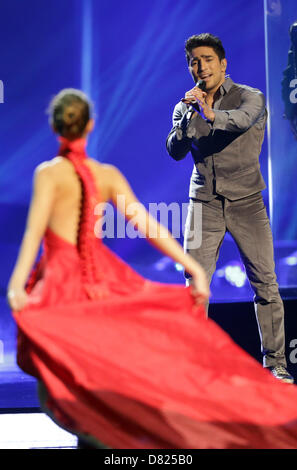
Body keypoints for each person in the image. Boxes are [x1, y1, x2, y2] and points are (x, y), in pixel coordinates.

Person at [7, 88, 297, 450]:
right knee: (96, 369)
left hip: (61, 282)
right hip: (101, 279)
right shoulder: (106, 174)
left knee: (56, 385)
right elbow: (149, 227)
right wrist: (192, 265)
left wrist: (17, 286)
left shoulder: (48, 174)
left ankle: (104, 439)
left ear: (55, 128)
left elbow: (34, 233)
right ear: (91, 126)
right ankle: (109, 436)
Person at [166, 33, 294, 384]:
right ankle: (193, 367)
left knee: (265, 284)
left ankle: (276, 365)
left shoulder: (250, 97)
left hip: (247, 203)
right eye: (194, 60)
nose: (201, 66)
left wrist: (210, 113)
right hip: (203, 203)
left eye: (207, 59)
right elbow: (175, 150)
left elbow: (238, 121)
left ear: (223, 63)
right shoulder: (185, 105)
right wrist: (186, 120)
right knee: (195, 284)